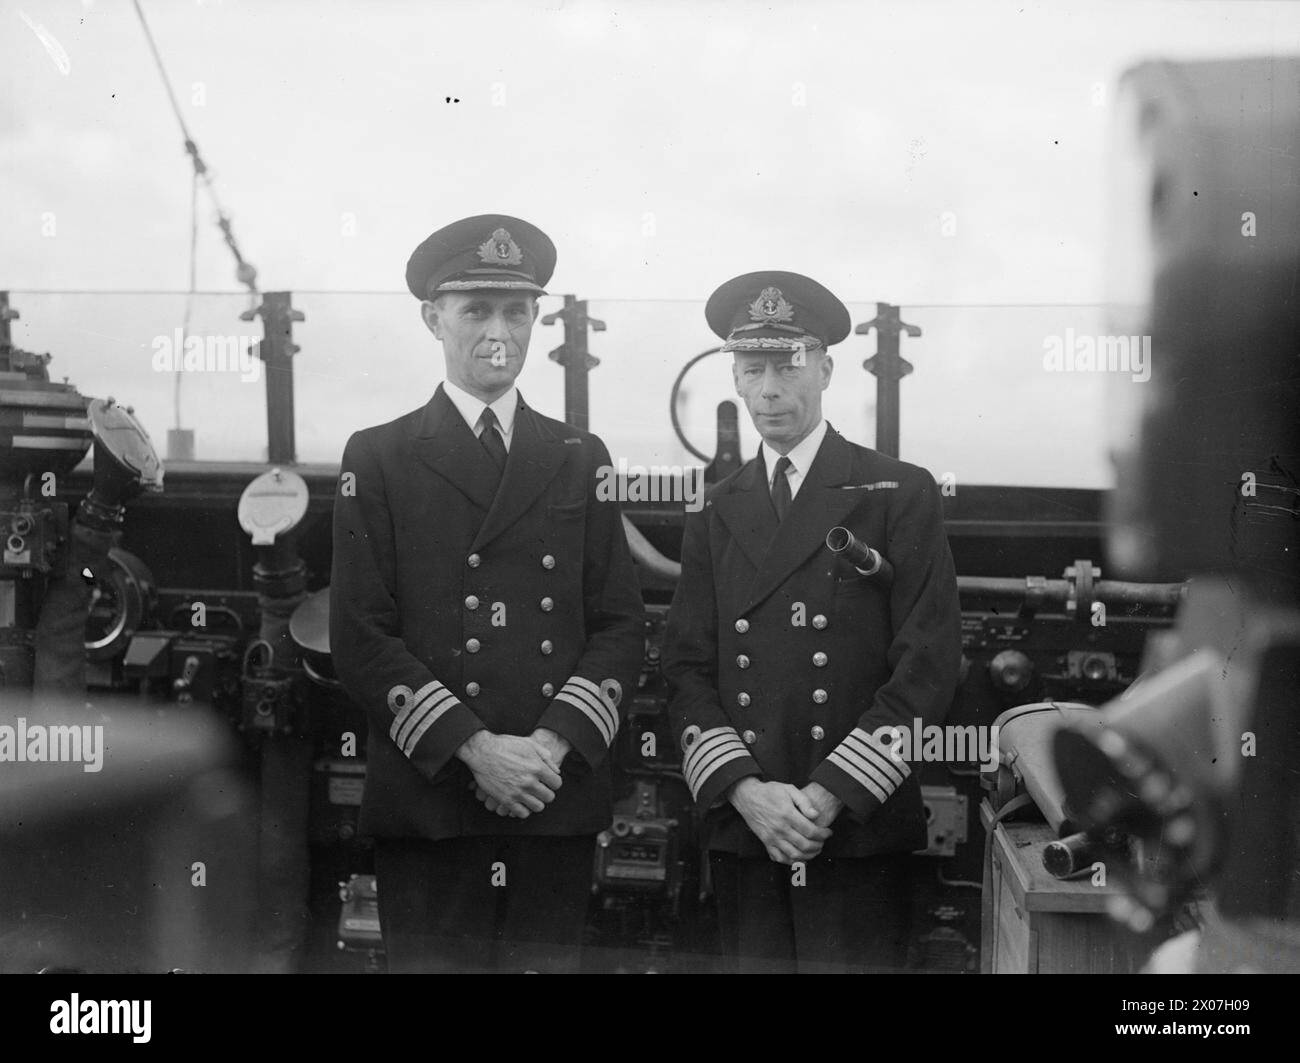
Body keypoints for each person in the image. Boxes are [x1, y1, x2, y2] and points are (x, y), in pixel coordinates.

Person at [330, 214, 643, 972]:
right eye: (475, 309)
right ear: (433, 318)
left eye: (515, 310)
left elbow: (620, 624)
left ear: (536, 318)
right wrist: (477, 750)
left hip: (549, 794)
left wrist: (545, 748)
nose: (496, 330)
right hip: (434, 801)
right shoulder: (377, 458)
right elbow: (360, 636)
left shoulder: (579, 456)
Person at [663, 270, 962, 972]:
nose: (770, 388)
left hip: (857, 826)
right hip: (749, 827)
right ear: (734, 377)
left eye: (788, 365)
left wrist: (832, 792)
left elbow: (928, 662)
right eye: (752, 367)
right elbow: (684, 668)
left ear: (825, 367)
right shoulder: (713, 510)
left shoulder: (898, 491)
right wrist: (746, 790)